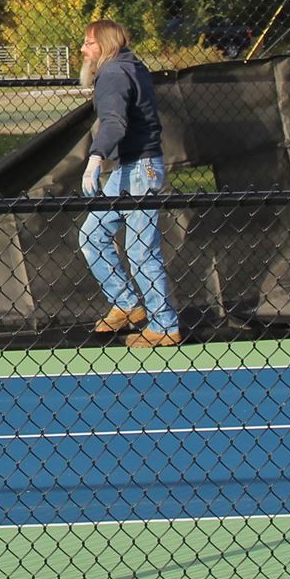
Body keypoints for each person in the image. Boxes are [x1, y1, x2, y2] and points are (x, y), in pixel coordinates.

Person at [77, 19, 181, 349]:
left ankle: (165, 326)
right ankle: (126, 304)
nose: (83, 49)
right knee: (92, 236)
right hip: (130, 168)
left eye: (89, 43)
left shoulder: (114, 73)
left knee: (140, 250)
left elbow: (114, 122)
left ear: (105, 45)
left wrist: (95, 159)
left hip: (140, 169)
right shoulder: (128, 66)